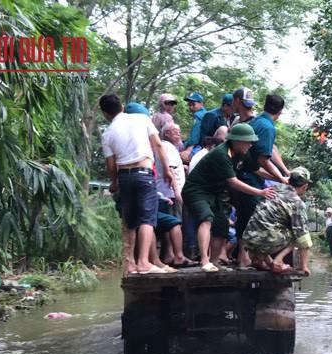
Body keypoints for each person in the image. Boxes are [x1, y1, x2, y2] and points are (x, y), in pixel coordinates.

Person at [182, 124, 276, 273]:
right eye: (248, 142)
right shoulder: (221, 154)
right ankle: (204, 261)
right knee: (207, 218)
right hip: (196, 190)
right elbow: (233, 182)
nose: (250, 145)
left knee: (221, 225)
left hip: (214, 192)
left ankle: (214, 261)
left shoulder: (242, 153)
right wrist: (260, 192)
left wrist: (281, 178)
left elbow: (257, 170)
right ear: (236, 141)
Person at [101, 94, 173, 275]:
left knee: (130, 221)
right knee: (147, 219)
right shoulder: (141, 119)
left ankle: (131, 264)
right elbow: (158, 146)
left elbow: (111, 164)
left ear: (105, 113)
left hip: (125, 177)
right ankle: (144, 262)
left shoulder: (107, 133)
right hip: (144, 174)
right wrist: (167, 170)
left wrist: (114, 182)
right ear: (122, 106)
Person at [233, 93, 289, 269]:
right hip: (249, 176)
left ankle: (251, 257)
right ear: (280, 111)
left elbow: (270, 151)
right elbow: (263, 159)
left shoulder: (256, 121)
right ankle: (246, 258)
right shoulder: (267, 127)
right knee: (252, 217)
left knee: (245, 215)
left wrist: (283, 172)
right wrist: (281, 177)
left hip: (243, 172)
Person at [242, 167, 313, 276]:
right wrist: (304, 266)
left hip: (248, 238)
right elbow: (303, 236)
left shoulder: (272, 190)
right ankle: (278, 261)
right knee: (298, 233)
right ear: (305, 186)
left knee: (266, 226)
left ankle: (263, 261)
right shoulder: (296, 202)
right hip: (265, 240)